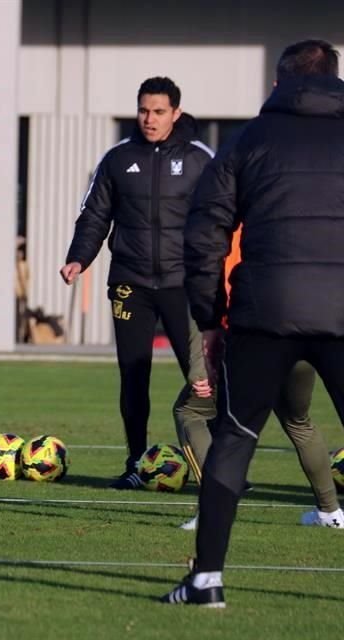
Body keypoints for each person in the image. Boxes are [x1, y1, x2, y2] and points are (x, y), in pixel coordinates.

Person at [162, 39, 344, 608]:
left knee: (235, 438)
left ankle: (206, 581)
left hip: (265, 312)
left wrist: (209, 317)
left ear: (276, 83)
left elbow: (204, 231)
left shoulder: (248, 139)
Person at [60, 77, 214, 489]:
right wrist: (79, 258)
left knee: (203, 378)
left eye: (159, 111)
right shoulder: (117, 158)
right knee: (133, 375)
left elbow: (221, 218)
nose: (150, 119)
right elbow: (94, 215)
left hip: (186, 285)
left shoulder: (202, 159)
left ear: (176, 114)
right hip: (131, 281)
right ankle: (137, 463)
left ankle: (217, 467)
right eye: (144, 110)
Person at [173, 228, 341, 531]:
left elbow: (205, 299)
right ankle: (330, 512)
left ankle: (211, 510)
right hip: (309, 332)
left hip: (250, 339)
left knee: (193, 413)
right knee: (297, 421)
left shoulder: (216, 231)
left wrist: (199, 367)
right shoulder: (285, 224)